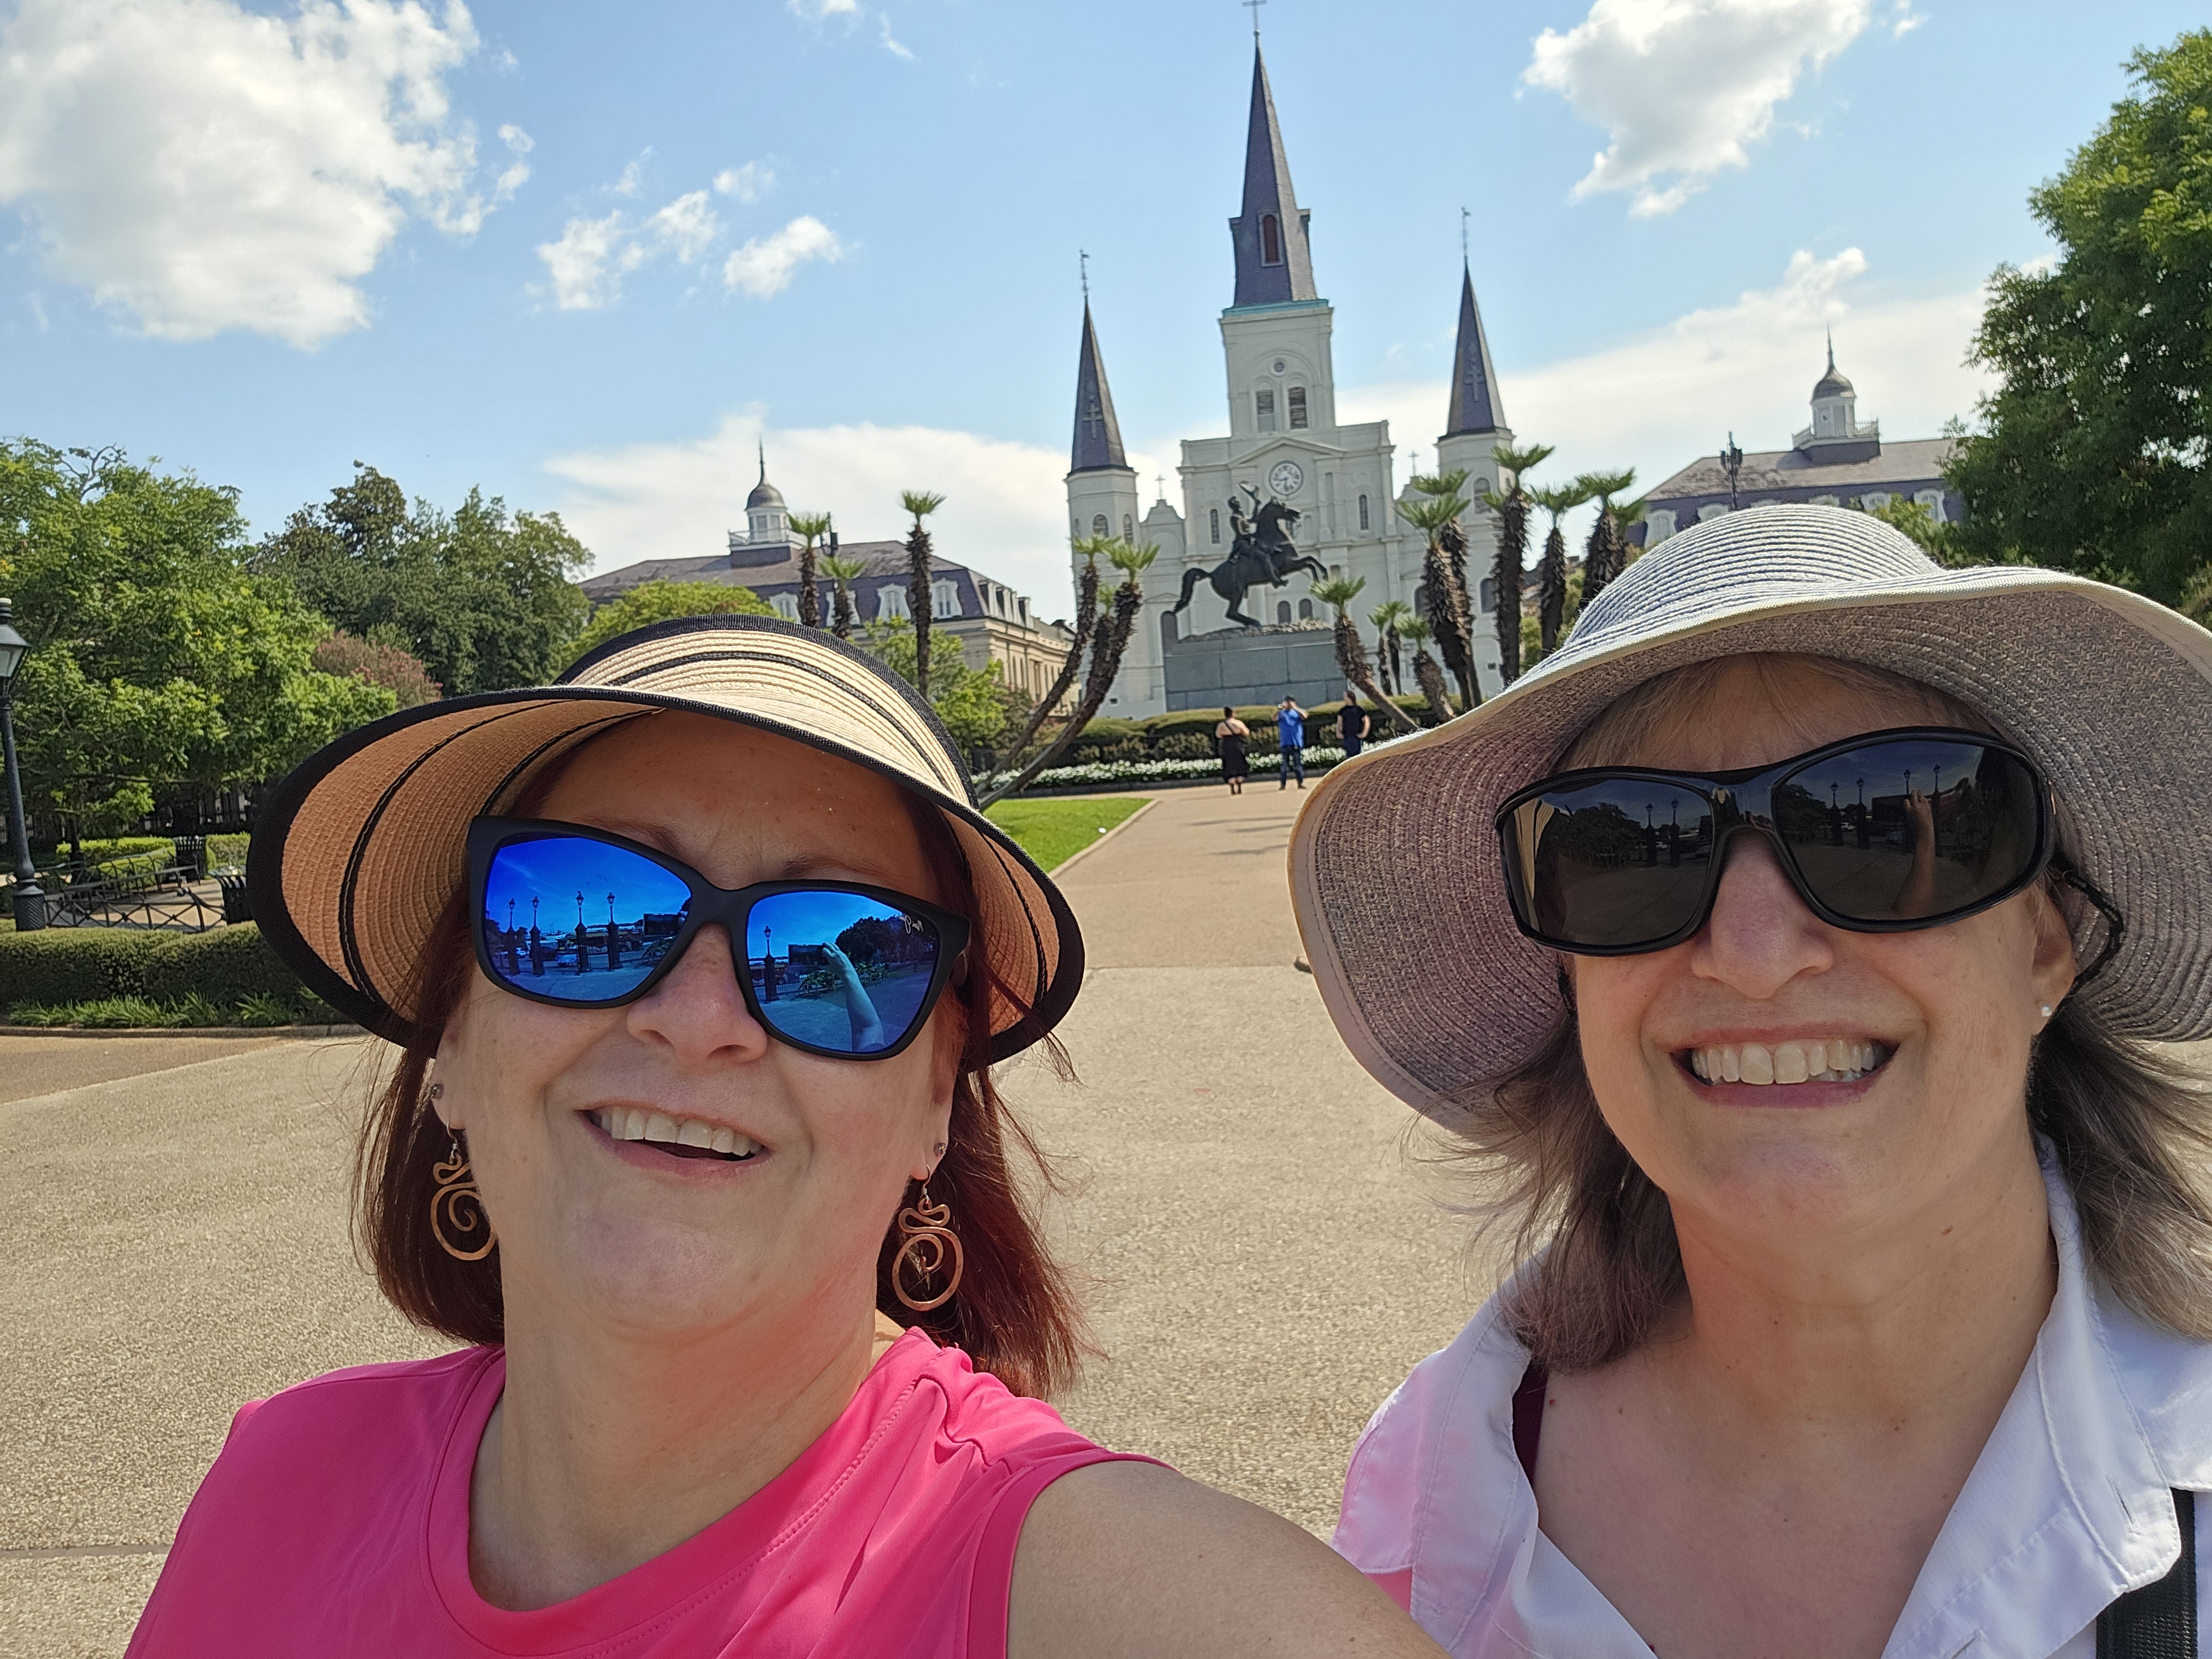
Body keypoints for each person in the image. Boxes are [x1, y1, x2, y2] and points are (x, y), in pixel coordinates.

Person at [133, 617, 1442, 1659]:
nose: (698, 1018)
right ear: (452, 1044)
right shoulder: (276, 1483)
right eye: (585, 901)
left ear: (937, 1106)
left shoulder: (1154, 1611)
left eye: (834, 948)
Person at [1288, 507, 2212, 1657]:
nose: (1754, 952)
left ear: (2045, 939)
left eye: (1881, 827)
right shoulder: (1430, 1494)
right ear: (1571, 977)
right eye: (1629, 848)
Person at [1216, 706, 1251, 796]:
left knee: (1229, 765)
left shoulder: (1222, 725)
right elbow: (1246, 733)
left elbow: (1218, 735)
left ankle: (1232, 787)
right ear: (1233, 714)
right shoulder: (1238, 723)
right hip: (1237, 745)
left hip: (1227, 745)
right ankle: (1239, 786)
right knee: (1239, 764)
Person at [1277, 696, 1308, 790]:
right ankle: (1283, 784)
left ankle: (1300, 783)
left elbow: (1305, 716)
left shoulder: (1297, 712)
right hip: (1285, 743)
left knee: (1297, 765)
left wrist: (1295, 707)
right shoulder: (1282, 713)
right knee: (1284, 766)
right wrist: (1279, 710)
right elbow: (1273, 718)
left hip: (1296, 743)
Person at [1337, 690, 1370, 759]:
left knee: (1357, 757)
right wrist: (1338, 733)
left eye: (1344, 696)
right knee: (1349, 757)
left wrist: (1364, 733)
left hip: (1356, 737)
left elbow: (1366, 721)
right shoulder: (1343, 711)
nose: (1343, 697)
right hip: (1346, 737)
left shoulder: (1359, 710)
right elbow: (1339, 723)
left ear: (1349, 697)